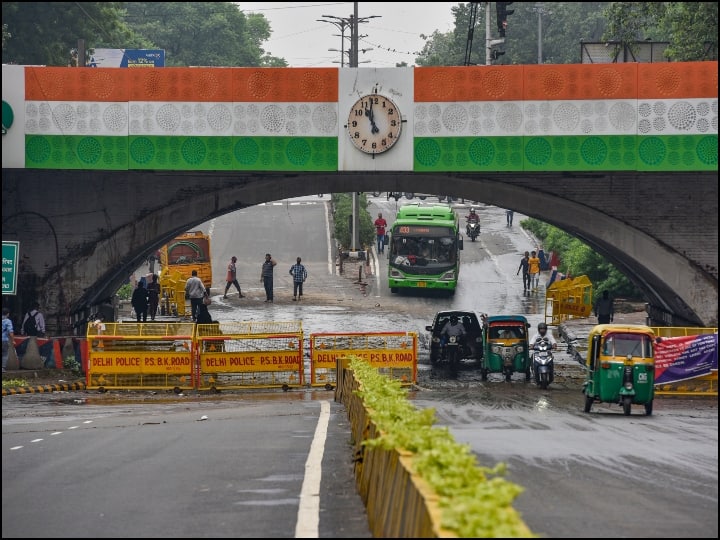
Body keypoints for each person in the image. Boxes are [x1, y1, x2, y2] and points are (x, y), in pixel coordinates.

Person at [2, 308, 14, 372]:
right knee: (5, 354)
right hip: (4, 340)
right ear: (8, 314)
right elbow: (10, 332)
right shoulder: (8, 321)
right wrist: (13, 340)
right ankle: (2, 368)